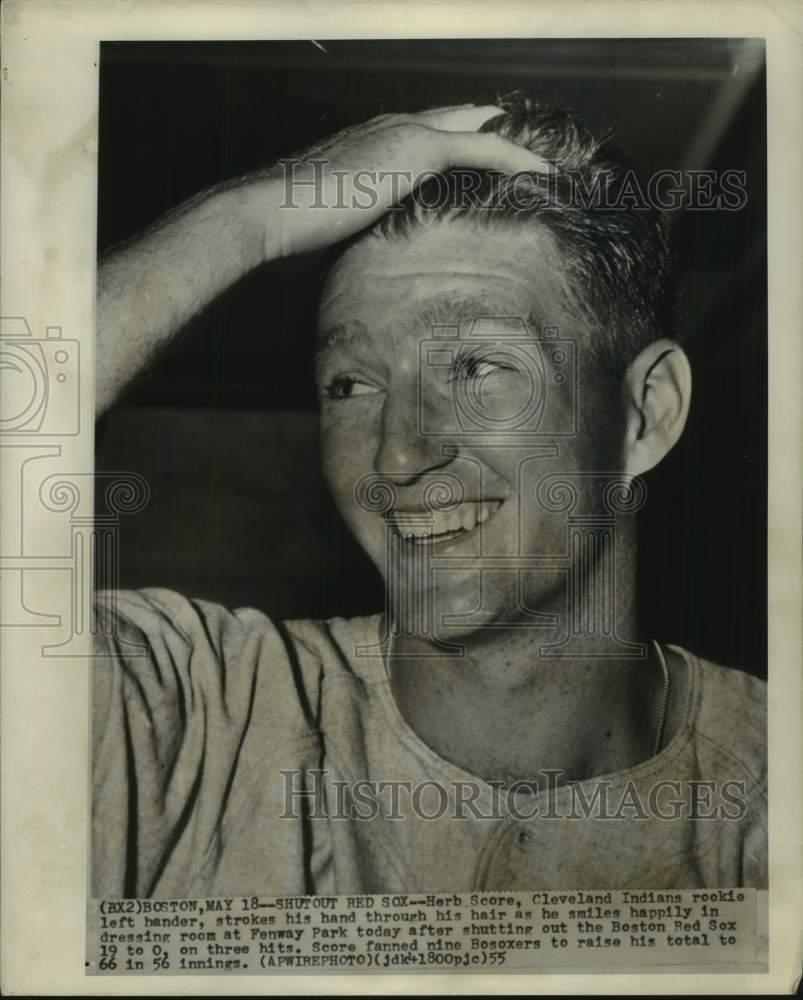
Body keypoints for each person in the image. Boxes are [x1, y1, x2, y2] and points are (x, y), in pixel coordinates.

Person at [92, 95, 766, 898]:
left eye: (477, 368)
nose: (398, 451)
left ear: (644, 414)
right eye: (350, 383)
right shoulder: (195, 714)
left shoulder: (771, 786)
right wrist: (251, 219)